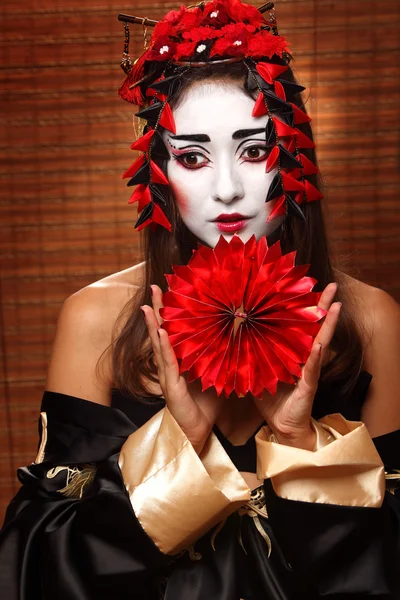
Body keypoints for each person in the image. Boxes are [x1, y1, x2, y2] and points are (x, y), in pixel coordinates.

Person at [1, 1, 399, 598]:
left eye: (253, 149)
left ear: (293, 159)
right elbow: (43, 569)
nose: (227, 189)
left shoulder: (369, 320)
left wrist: (300, 446)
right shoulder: (98, 318)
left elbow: (386, 570)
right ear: (157, 175)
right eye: (192, 157)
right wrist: (180, 441)